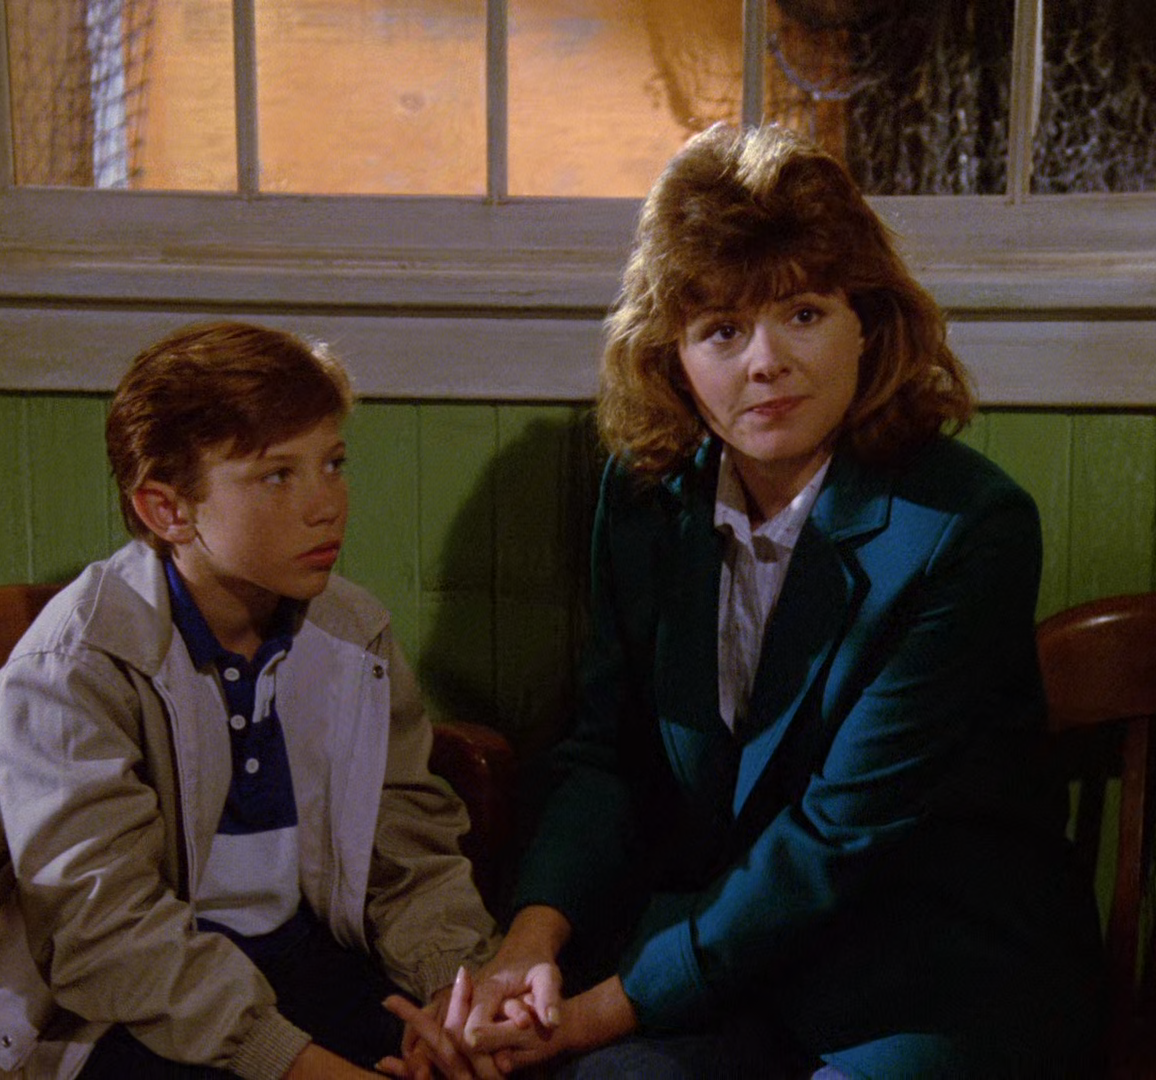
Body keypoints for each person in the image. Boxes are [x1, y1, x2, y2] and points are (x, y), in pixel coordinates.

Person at [452, 124, 1106, 1078]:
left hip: (926, 976)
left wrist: (591, 1016)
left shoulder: (967, 527)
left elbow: (837, 841)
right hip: (719, 954)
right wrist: (528, 943)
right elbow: (609, 757)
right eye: (722, 330)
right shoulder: (645, 498)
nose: (766, 361)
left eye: (803, 313)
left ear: (867, 323)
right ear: (673, 357)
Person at [0, 321, 500, 1080]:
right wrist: (303, 1067)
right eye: (277, 476)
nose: (327, 505)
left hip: (303, 964)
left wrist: (450, 993)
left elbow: (407, 852)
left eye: (333, 464)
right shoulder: (73, 670)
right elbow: (106, 935)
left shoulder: (353, 633)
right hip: (119, 1009)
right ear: (167, 511)